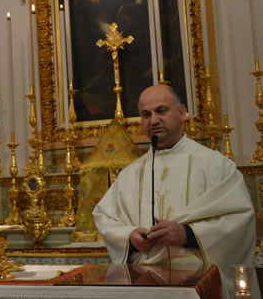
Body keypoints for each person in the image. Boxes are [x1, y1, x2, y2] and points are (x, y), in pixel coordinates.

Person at [93, 85, 258, 298]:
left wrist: (188, 234)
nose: (153, 120)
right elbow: (105, 217)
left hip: (198, 282)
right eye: (146, 115)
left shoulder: (216, 166)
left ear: (181, 113)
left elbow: (240, 219)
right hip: (143, 283)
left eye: (161, 111)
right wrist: (130, 237)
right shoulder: (130, 174)